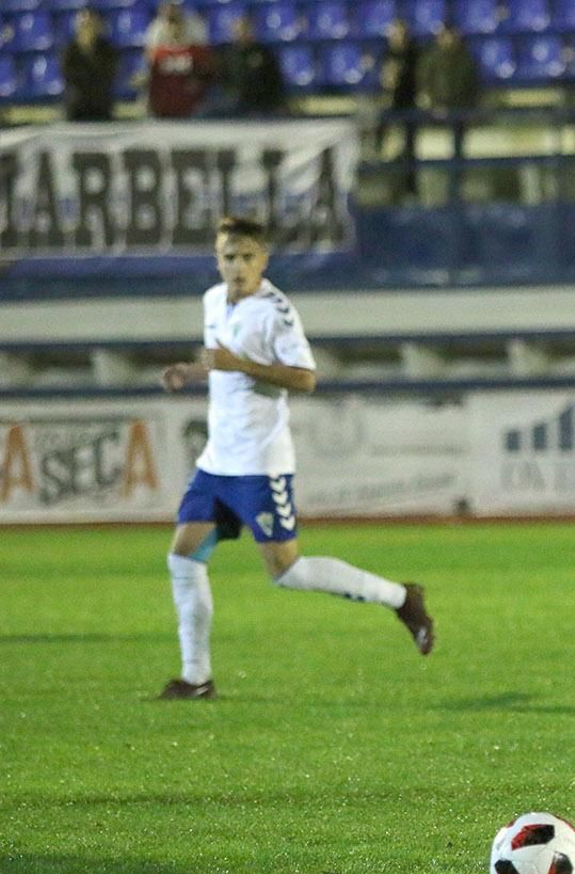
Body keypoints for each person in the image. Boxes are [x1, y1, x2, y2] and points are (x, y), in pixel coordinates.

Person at [156, 216, 434, 700]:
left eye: (247, 257)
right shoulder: (212, 300)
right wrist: (192, 370)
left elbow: (305, 378)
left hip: (261, 464)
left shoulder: (278, 313)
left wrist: (236, 364)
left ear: (263, 260)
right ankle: (196, 678)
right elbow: (223, 366)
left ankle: (401, 597)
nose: (237, 266)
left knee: (288, 571)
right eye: (229, 257)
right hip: (217, 462)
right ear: (217, 260)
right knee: (183, 557)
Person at [418, 23, 480, 196]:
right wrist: (434, 106)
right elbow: (425, 85)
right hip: (435, 113)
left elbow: (471, 88)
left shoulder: (466, 59)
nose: (448, 39)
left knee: (458, 150)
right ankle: (420, 189)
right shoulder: (430, 59)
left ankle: (457, 185)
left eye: (451, 35)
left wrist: (467, 110)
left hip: (460, 112)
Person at [376, 19, 422, 198]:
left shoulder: (414, 54)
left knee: (410, 150)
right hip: (390, 108)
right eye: (394, 34)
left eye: (400, 33)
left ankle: (410, 189)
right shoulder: (386, 54)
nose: (397, 38)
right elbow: (382, 82)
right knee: (384, 147)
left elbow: (417, 80)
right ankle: (386, 187)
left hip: (409, 106)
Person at [144, 3, 213, 118]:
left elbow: (207, 71)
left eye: (177, 25)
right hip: (164, 105)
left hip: (191, 106)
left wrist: (196, 78)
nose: (174, 29)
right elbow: (150, 73)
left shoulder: (194, 51)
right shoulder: (158, 53)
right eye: (170, 26)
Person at [210, 15, 286, 117]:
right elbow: (223, 80)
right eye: (238, 30)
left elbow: (274, 79)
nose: (241, 34)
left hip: (259, 101)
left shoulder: (263, 53)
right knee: (206, 113)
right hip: (234, 100)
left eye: (245, 30)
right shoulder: (228, 54)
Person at [61, 10, 117, 121]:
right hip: (77, 106)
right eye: (84, 25)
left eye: (91, 25)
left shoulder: (107, 50)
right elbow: (69, 75)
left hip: (101, 105)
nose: (87, 29)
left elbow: (108, 74)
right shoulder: (70, 50)